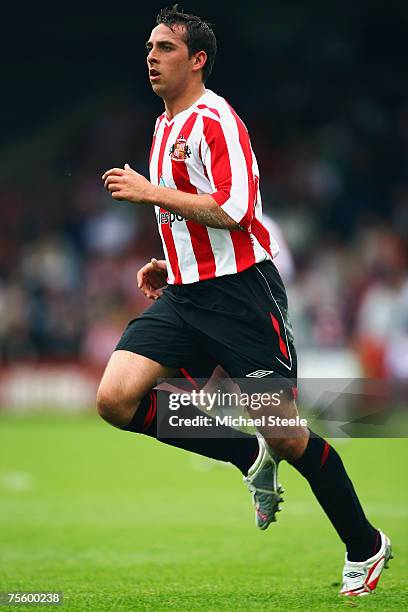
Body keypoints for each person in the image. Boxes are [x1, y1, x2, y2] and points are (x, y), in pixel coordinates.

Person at [98, 5, 392, 597]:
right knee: (115, 399)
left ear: (197, 59)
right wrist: (169, 260)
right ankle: (240, 453)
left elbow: (234, 209)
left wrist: (150, 191)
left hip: (240, 301)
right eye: (150, 47)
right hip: (185, 296)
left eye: (165, 48)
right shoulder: (163, 125)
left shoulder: (216, 120)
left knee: (287, 435)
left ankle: (365, 545)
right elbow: (192, 213)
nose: (151, 57)